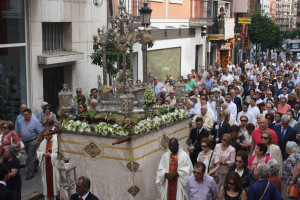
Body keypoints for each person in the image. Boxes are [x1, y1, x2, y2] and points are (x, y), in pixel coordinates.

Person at [18, 108, 43, 180]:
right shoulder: (22, 121)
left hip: (32, 140)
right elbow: (20, 130)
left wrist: (36, 141)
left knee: (30, 156)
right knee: (29, 156)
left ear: (30, 114)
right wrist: (17, 138)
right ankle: (34, 168)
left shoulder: (35, 121)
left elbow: (40, 132)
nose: (25, 116)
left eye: (26, 115)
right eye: (24, 115)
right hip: (24, 141)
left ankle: (30, 173)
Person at [37, 119, 59, 200]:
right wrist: (43, 154)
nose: (45, 137)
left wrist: (50, 155)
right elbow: (38, 152)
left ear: (51, 134)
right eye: (44, 135)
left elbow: (59, 155)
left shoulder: (56, 141)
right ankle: (47, 197)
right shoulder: (44, 141)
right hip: (46, 166)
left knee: (54, 182)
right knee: (46, 182)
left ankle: (55, 196)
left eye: (46, 135)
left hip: (53, 166)